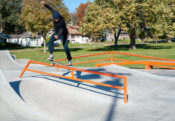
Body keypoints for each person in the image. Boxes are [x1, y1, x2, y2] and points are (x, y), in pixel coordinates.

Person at [41, 1, 72, 66]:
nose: (56, 20)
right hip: (56, 32)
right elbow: (51, 8)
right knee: (50, 41)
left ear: (59, 17)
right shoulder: (54, 13)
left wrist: (58, 35)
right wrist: (45, 4)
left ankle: (70, 62)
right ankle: (51, 55)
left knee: (66, 48)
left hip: (63, 34)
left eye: (57, 19)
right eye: (55, 19)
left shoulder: (62, 21)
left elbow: (62, 29)